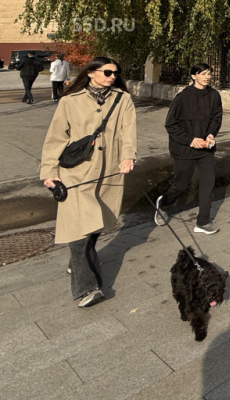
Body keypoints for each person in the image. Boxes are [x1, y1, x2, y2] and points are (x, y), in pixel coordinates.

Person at [40, 57, 137, 307]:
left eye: (116, 73)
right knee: (79, 227)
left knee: (95, 223)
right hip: (76, 173)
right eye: (107, 72)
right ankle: (87, 288)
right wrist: (48, 170)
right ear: (91, 72)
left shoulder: (122, 99)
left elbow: (128, 131)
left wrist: (127, 156)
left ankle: (76, 262)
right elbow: (55, 137)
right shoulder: (69, 101)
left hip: (108, 172)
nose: (112, 76)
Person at [154, 63, 223, 235]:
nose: (207, 77)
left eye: (209, 74)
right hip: (184, 149)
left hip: (205, 149)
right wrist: (190, 140)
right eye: (203, 74)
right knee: (181, 185)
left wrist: (210, 135)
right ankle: (163, 204)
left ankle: (203, 222)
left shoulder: (214, 95)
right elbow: (170, 124)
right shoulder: (182, 98)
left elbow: (216, 118)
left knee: (208, 184)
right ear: (194, 76)